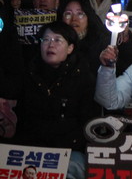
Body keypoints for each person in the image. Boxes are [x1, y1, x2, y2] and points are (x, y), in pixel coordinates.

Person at [9, 21, 100, 179]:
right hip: (31, 149)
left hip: (68, 149)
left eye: (57, 40)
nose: (50, 45)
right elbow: (22, 118)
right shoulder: (28, 74)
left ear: (70, 48)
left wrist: (64, 146)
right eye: (46, 40)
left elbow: (87, 122)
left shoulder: (84, 77)